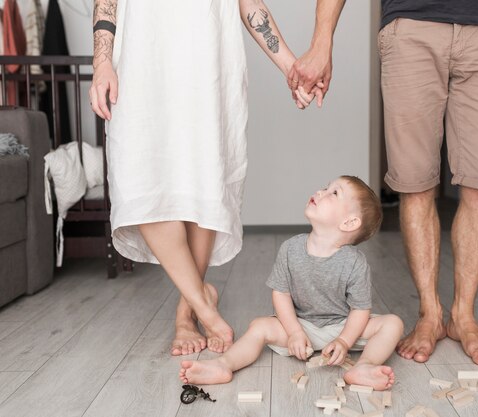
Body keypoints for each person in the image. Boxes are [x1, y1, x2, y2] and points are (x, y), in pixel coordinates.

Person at [289, 0, 478, 366]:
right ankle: (430, 313)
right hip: (411, 27)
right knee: (415, 184)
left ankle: (463, 316)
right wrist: (321, 41)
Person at [89, 0, 320, 356]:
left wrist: (291, 66)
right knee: (141, 178)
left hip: (208, 64)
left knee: (205, 180)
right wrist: (101, 61)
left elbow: (249, 5)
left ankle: (187, 312)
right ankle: (204, 303)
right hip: (139, 63)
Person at [179, 176, 404, 391]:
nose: (320, 191)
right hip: (300, 325)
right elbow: (281, 294)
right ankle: (224, 365)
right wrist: (295, 332)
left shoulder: (355, 262)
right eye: (326, 187)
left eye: (333, 193)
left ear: (349, 222)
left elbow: (360, 310)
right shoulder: (290, 249)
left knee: (393, 323)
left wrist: (344, 341)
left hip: (343, 326)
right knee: (259, 326)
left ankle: (365, 366)